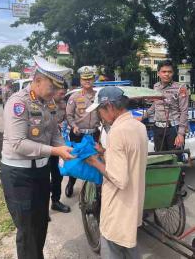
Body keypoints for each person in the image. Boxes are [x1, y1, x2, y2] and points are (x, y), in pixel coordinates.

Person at [1, 56, 74, 259]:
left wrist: (64, 147)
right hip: (19, 175)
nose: (55, 93)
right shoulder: (19, 103)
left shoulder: (47, 104)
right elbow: (18, 143)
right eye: (52, 87)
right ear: (38, 80)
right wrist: (54, 151)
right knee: (27, 229)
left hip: (40, 172)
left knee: (41, 222)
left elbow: (54, 132)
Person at [85, 86, 148, 259]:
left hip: (118, 207)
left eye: (100, 110)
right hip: (133, 203)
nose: (100, 115)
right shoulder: (138, 126)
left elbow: (119, 179)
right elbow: (130, 158)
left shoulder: (117, 132)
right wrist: (105, 152)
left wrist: (94, 162)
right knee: (129, 246)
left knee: (113, 246)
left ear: (110, 107)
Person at [65, 66, 100, 197]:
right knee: (76, 160)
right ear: (80, 80)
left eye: (89, 78)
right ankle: (71, 183)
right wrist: (73, 125)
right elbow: (68, 115)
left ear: (93, 79)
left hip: (93, 133)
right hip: (78, 134)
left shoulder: (98, 96)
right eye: (84, 79)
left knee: (94, 159)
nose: (87, 81)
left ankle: (93, 187)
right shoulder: (74, 96)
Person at [142, 60, 189, 152]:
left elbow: (184, 111)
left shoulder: (181, 88)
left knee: (175, 159)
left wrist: (180, 134)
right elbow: (154, 105)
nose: (167, 74)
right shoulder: (156, 87)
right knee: (160, 158)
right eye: (164, 72)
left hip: (174, 129)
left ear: (173, 73)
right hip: (158, 128)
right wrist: (142, 117)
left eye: (169, 72)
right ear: (158, 73)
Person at [49, 81, 70, 213]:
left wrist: (67, 124)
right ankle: (42, 209)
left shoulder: (63, 104)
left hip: (58, 144)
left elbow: (68, 118)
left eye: (64, 93)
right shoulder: (44, 102)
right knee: (43, 177)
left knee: (58, 175)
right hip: (43, 145)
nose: (62, 96)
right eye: (61, 93)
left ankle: (55, 201)